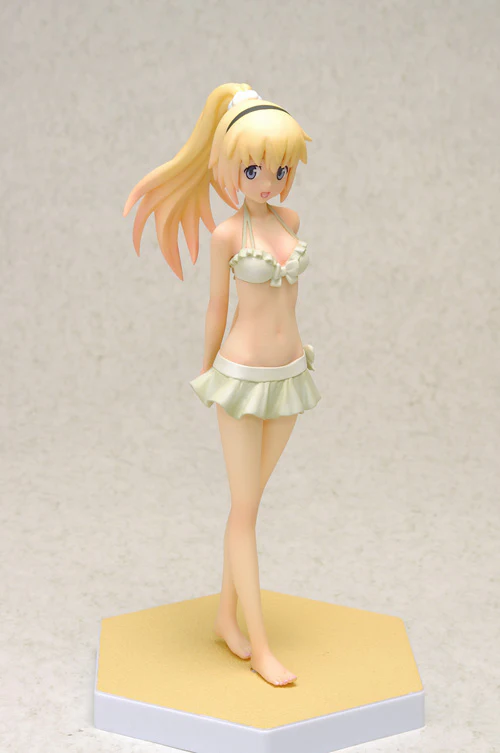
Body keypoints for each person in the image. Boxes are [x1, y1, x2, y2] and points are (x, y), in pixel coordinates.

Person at [124, 83, 321, 686]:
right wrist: (208, 372)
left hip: (288, 377)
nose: (271, 182)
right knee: (245, 510)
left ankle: (224, 616)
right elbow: (216, 308)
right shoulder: (227, 236)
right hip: (239, 378)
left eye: (280, 169)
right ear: (232, 168)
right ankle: (259, 647)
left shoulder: (290, 219)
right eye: (256, 169)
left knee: (249, 504)